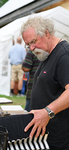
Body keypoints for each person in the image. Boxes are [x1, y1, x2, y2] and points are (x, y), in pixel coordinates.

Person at [20, 16, 69, 150]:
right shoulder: (46, 54)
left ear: (47, 33)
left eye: (33, 41)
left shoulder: (64, 55)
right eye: (28, 44)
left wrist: (47, 112)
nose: (31, 47)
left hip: (61, 139)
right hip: (46, 138)